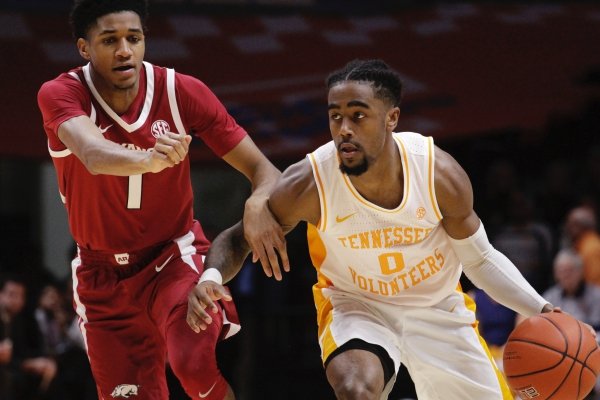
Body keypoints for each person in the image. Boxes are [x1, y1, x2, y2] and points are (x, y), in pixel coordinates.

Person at [187, 59, 560, 400]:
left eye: (358, 115)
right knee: (356, 389)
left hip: (437, 307)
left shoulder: (438, 175)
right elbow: (239, 237)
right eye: (335, 117)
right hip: (357, 306)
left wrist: (542, 309)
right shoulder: (311, 184)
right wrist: (212, 274)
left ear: (391, 118)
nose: (344, 129)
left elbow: (480, 261)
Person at [36, 0, 287, 398]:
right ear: (84, 48)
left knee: (193, 366)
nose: (124, 50)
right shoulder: (61, 93)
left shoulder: (180, 90)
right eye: (110, 40)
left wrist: (256, 202)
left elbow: (266, 171)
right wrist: (150, 160)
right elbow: (93, 154)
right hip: (101, 275)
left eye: (134, 38)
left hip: (171, 259)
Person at [563, 206, 600, 286]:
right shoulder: (582, 244)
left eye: (571, 224)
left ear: (580, 226)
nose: (567, 227)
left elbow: (593, 281)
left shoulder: (591, 248)